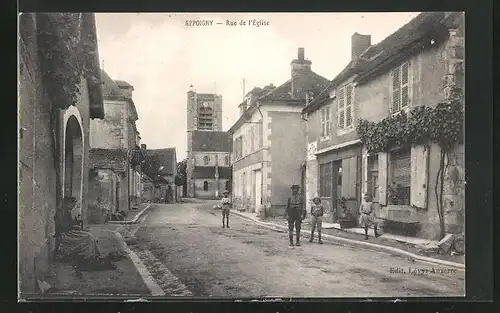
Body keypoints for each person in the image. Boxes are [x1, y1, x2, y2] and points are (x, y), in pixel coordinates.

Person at [54, 197, 101, 261]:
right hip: (66, 234)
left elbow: (70, 224)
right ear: (68, 203)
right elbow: (63, 227)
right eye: (73, 204)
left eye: (74, 205)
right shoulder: (61, 212)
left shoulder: (67, 211)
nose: (73, 206)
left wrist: (81, 229)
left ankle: (94, 255)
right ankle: (89, 256)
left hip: (70, 231)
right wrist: (76, 228)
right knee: (89, 237)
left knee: (90, 236)